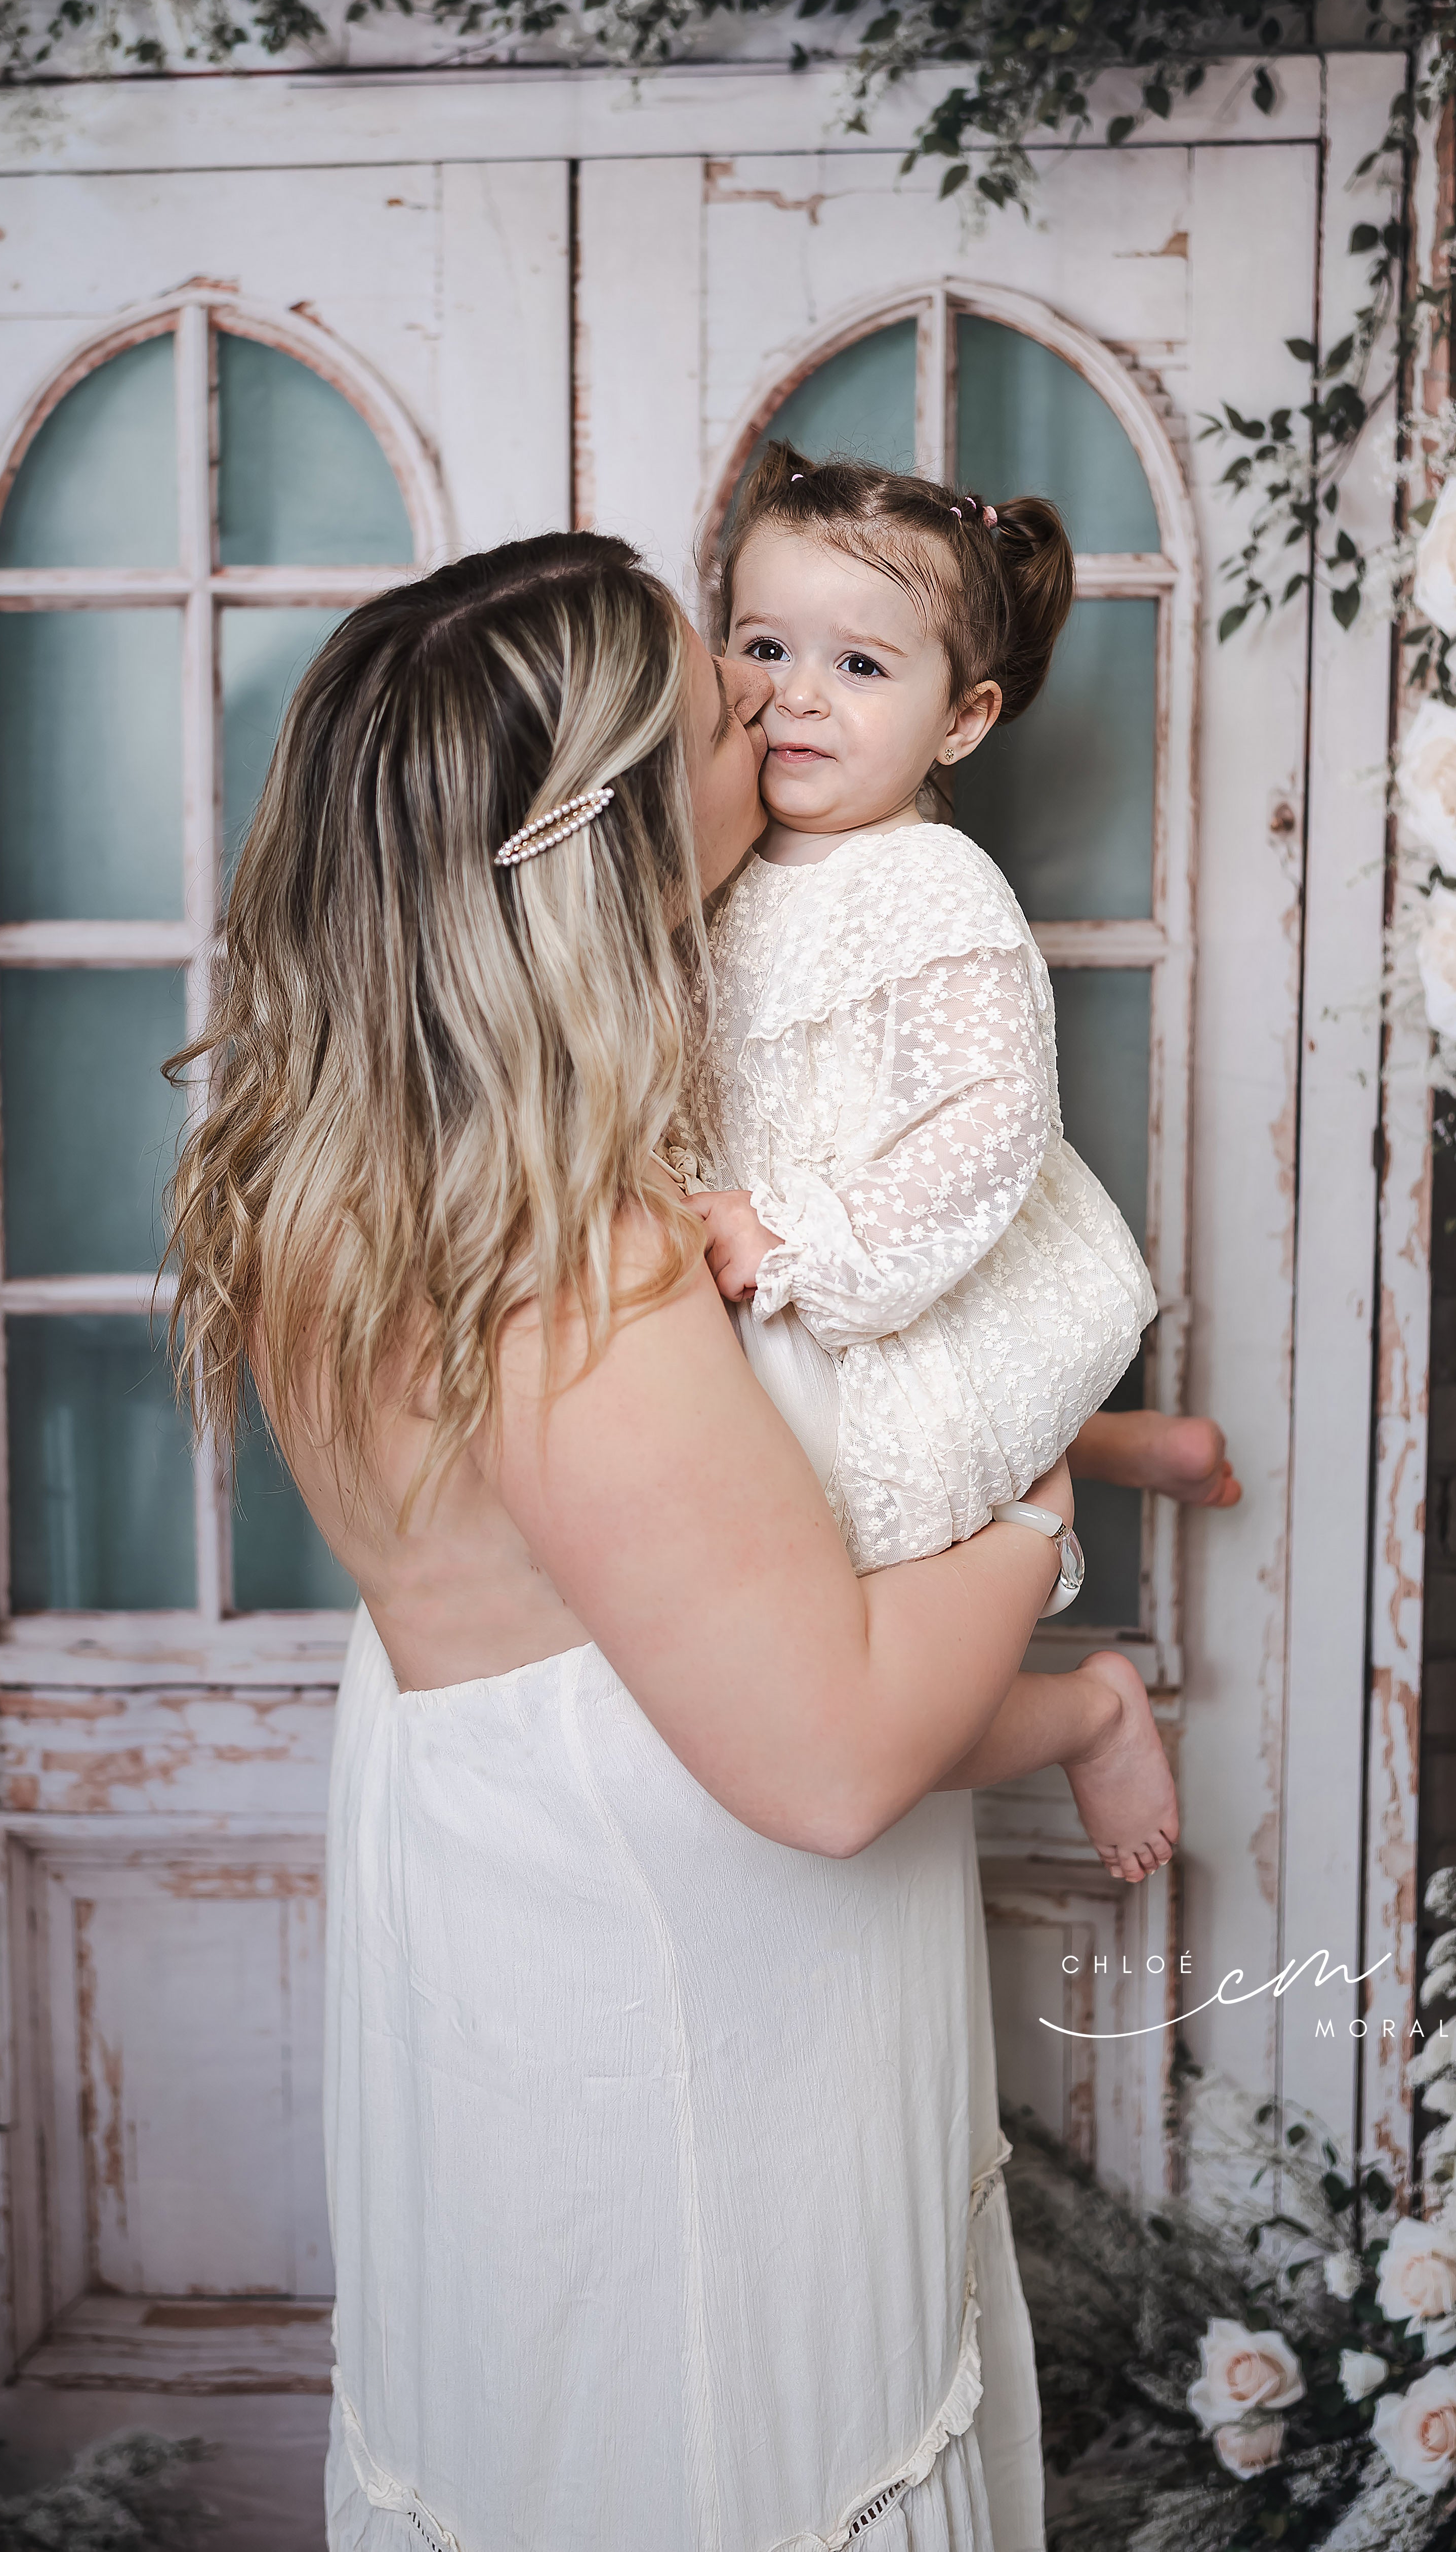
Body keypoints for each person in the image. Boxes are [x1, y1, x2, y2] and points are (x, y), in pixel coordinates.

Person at [165, 532, 1225, 2552]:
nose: (773, 711)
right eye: (723, 701)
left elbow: (663, 1537)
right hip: (666, 2012)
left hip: (514, 1928)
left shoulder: (345, 1176)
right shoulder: (570, 1262)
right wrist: (1031, 1516)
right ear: (613, 836)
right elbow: (822, 1762)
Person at [687, 445, 1175, 1883]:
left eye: (858, 665)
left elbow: (984, 1134)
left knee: (813, 1699)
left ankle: (1089, 1709)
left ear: (961, 720)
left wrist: (802, 1244)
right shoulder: (724, 857)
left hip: (872, 1285)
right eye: (765, 646)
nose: (797, 695)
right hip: (745, 1281)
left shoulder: (932, 887)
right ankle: (1116, 1453)